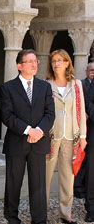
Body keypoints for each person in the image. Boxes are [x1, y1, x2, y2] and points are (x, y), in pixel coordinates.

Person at [0, 49, 55, 224]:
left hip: (39, 142)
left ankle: (39, 219)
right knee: (13, 183)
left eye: (36, 61)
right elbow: (7, 116)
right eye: (29, 61)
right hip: (17, 142)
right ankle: (12, 217)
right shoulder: (7, 87)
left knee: (38, 184)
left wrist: (38, 131)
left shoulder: (45, 86)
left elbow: (50, 113)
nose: (34, 64)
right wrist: (28, 130)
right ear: (19, 66)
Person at [46, 49, 87, 224]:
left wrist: (83, 136)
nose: (56, 64)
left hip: (71, 137)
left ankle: (65, 214)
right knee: (45, 177)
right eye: (54, 61)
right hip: (51, 137)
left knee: (67, 177)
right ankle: (41, 213)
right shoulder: (46, 84)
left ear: (67, 62)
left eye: (60, 60)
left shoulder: (76, 85)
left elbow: (81, 110)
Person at [74, 62, 94, 199]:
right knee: (87, 165)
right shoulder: (82, 84)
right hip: (87, 128)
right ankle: (81, 191)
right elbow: (86, 101)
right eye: (91, 70)